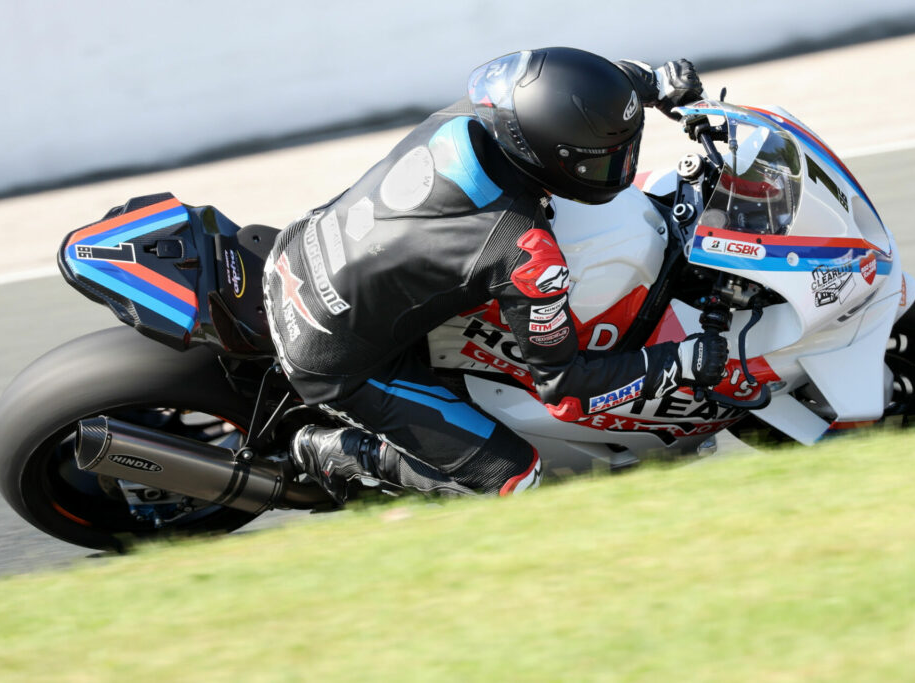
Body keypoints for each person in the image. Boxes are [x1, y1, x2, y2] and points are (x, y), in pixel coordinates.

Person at [262, 47, 729, 505]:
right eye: (605, 161)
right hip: (328, 355)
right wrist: (679, 362)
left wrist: (655, 82)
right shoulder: (523, 249)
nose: (621, 168)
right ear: (553, 156)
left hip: (295, 248)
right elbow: (565, 389)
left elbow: (568, 88)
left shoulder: (476, 113)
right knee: (513, 476)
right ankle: (335, 453)